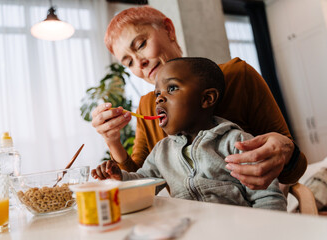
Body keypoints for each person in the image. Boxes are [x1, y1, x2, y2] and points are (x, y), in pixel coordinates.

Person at [91, 6, 307, 190]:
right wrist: (113, 141)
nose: (139, 63)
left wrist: (285, 151)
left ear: (168, 30)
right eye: (128, 62)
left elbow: (293, 172)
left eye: (140, 45)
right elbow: (141, 183)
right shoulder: (148, 105)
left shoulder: (236, 76)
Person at [92, 57, 287, 211]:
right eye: (157, 94)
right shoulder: (162, 151)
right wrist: (119, 177)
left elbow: (268, 198)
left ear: (207, 99)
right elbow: (144, 184)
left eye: (172, 88)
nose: (159, 99)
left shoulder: (237, 142)